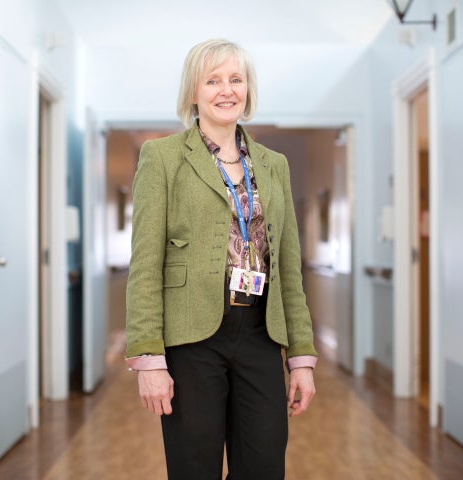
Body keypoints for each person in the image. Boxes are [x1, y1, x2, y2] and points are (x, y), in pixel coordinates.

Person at [125, 38, 317, 480]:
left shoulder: (274, 165)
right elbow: (145, 263)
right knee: (194, 467)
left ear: (247, 89)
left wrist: (301, 357)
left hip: (260, 335)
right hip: (191, 339)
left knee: (265, 465)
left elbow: (289, 267)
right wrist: (149, 359)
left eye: (236, 79)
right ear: (193, 92)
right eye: (212, 80)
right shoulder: (163, 157)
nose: (226, 89)